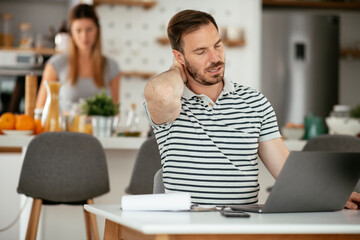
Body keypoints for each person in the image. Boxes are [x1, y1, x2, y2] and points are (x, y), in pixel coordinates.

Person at [144, 9, 360, 208]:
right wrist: (176, 71)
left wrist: (327, 193)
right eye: (201, 52)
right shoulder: (170, 104)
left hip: (242, 224)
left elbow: (284, 169)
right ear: (179, 57)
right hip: (185, 227)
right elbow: (162, 92)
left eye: (217, 45)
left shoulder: (255, 102)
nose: (215, 58)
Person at [35, 3, 120, 113]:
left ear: (97, 31)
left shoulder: (112, 67)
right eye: (78, 30)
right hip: (64, 129)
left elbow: (115, 111)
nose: (84, 36)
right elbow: (40, 109)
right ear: (72, 34)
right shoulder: (55, 65)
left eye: (89, 30)